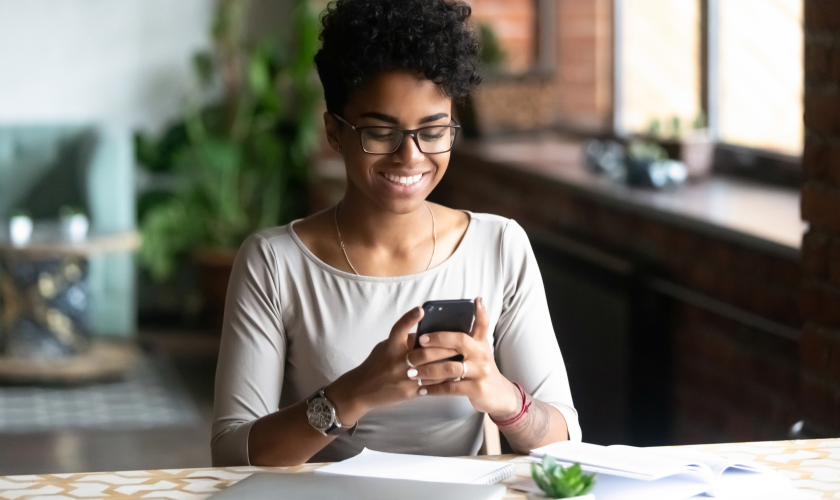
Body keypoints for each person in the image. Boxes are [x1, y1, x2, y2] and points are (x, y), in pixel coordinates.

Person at [211, 0, 580, 467]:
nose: (411, 157)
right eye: (380, 133)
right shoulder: (273, 263)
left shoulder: (500, 246)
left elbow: (565, 444)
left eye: (433, 130)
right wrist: (352, 394)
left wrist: (503, 396)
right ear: (334, 131)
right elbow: (229, 454)